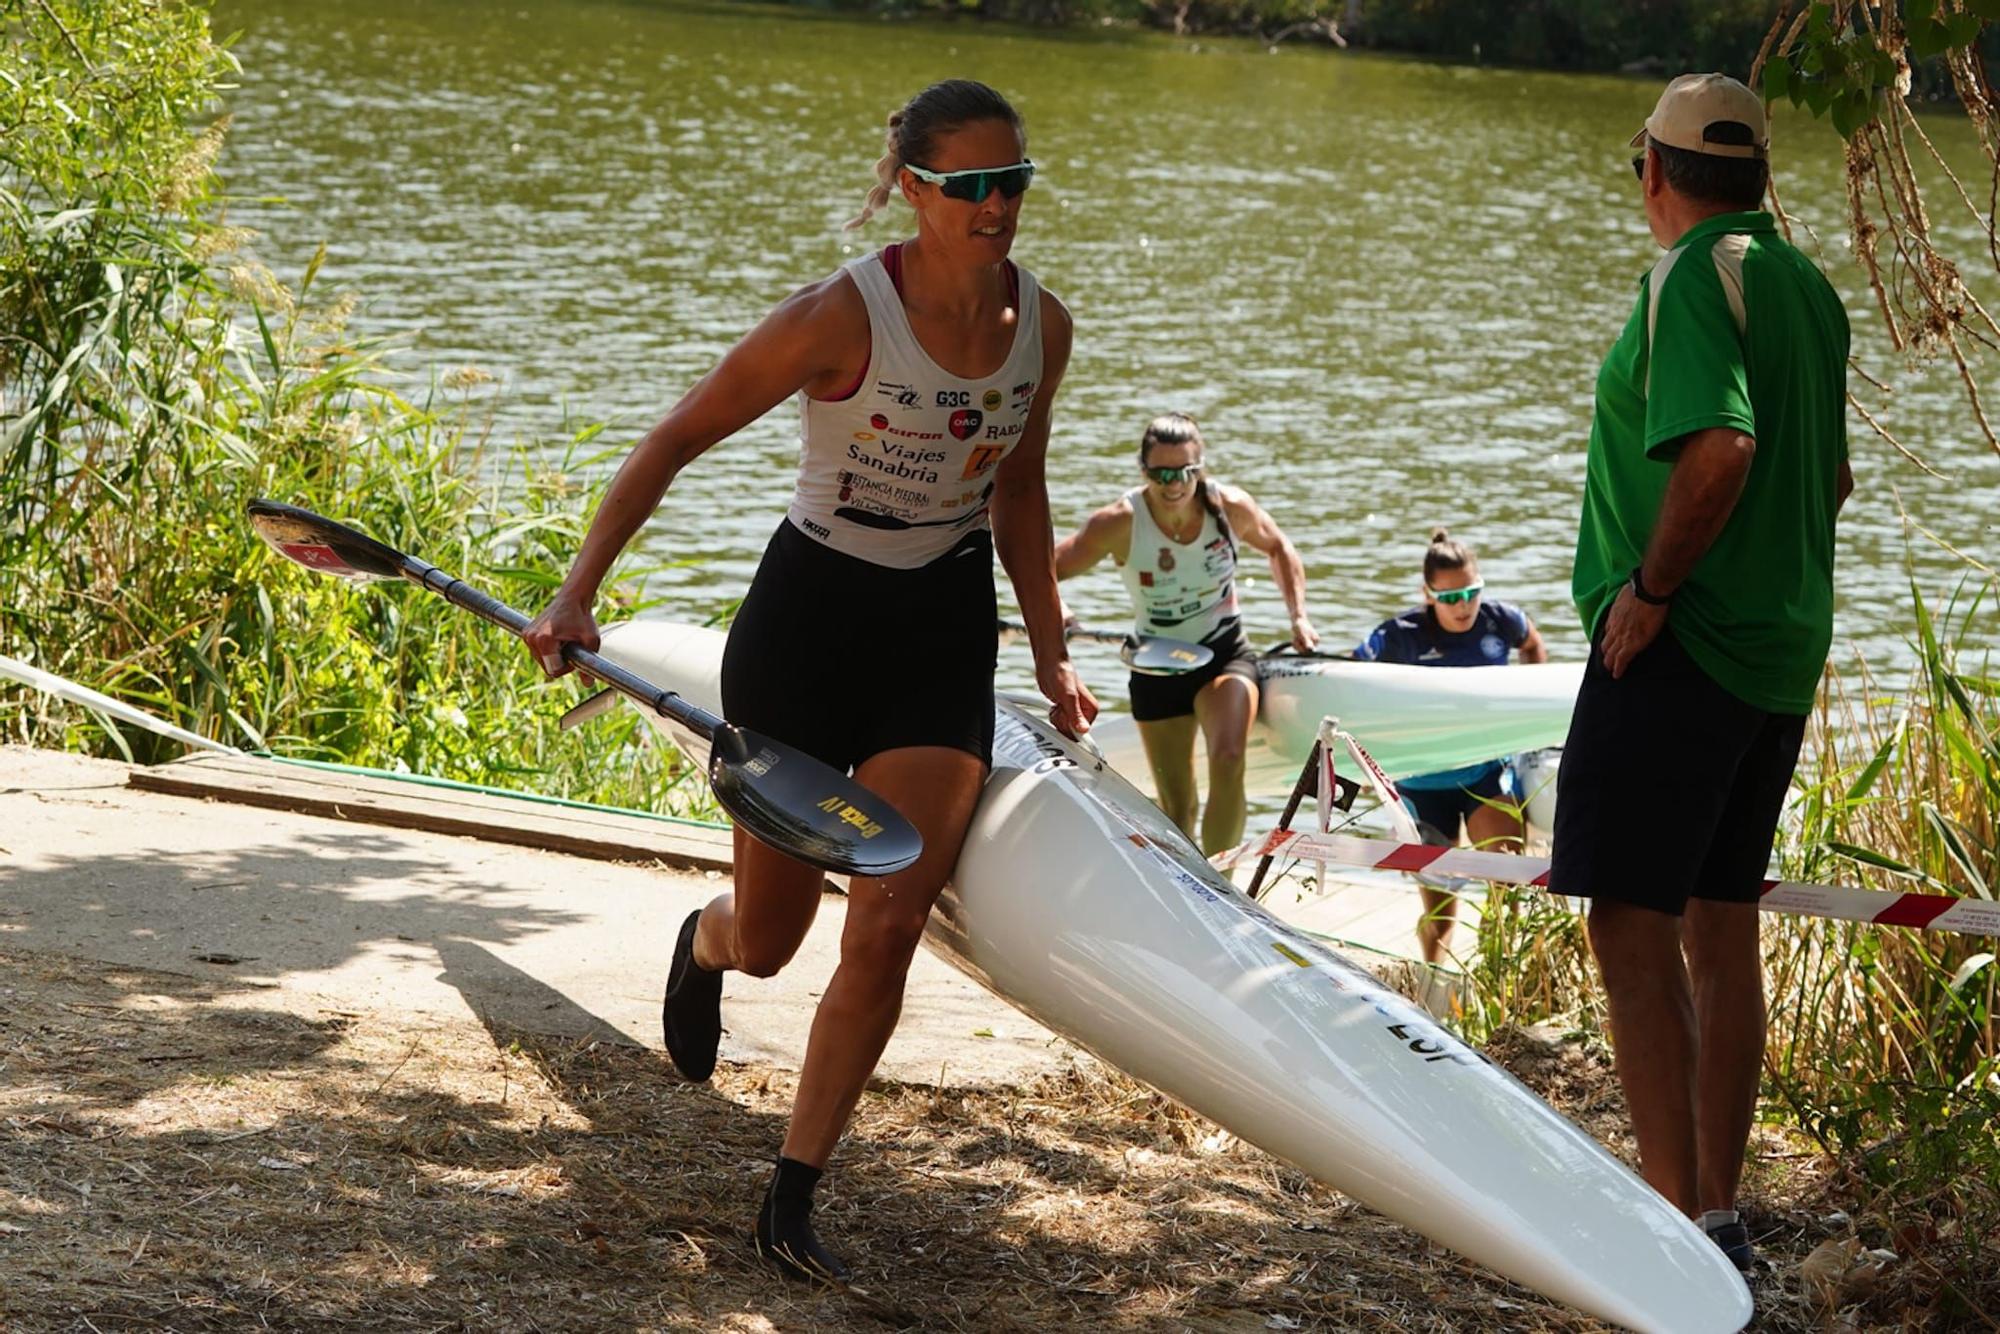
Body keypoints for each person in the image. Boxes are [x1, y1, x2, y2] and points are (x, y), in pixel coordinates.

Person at [522, 79, 1097, 1285]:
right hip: (806, 628)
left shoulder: (1044, 325)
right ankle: (707, 939)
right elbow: (675, 437)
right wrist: (576, 592)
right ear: (911, 188)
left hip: (939, 632)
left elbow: (1021, 490)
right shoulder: (838, 317)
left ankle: (792, 1192)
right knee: (775, 937)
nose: (997, 207)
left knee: (887, 917)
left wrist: (1048, 650)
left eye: (1015, 184)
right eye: (971, 187)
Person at [1551, 73, 1852, 1276]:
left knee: (1629, 925)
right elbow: (1823, 483)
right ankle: (1716, 1214)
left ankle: (1668, 1228)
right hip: (1777, 651)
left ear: (1653, 174)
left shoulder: (1692, 272)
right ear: (1760, 176)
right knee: (1719, 928)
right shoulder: (1804, 282)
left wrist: (1653, 589)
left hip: (1680, 646)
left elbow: (1719, 446)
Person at [1054, 412, 1316, 855]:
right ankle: (1190, 886)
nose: (1173, 483)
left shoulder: (1230, 507)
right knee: (1178, 807)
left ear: (1201, 468)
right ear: (1143, 471)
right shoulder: (1118, 522)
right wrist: (1059, 612)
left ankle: (1223, 879)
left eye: (1184, 472)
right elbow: (1043, 569)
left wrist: (1299, 618)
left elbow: (1279, 547)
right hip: (1157, 662)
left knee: (1229, 756)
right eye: (1160, 473)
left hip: (1224, 652)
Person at [1354, 528, 1547, 963]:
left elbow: (1534, 647)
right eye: (1449, 598)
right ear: (1427, 595)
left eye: (1470, 592)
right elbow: (1349, 684)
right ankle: (1432, 985)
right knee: (1440, 916)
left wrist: (1527, 717)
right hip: (1422, 785)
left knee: (1509, 895)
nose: (1463, 606)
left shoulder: (1502, 620)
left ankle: (1501, 991)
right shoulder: (1398, 635)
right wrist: (1369, 763)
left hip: (1485, 773)